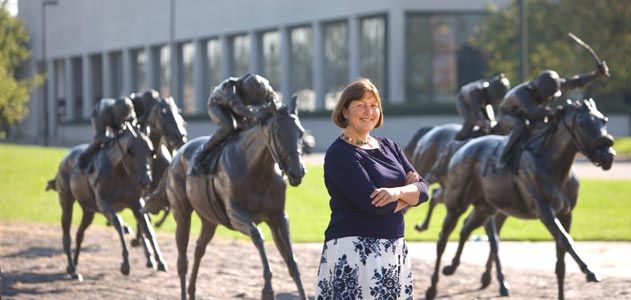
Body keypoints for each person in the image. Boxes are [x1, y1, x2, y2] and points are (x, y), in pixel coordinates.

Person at [315, 78, 429, 299]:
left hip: (393, 248)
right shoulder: (340, 153)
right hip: (356, 251)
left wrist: (396, 193)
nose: (369, 111)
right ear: (345, 111)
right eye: (361, 104)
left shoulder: (389, 146)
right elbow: (374, 206)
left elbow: (424, 190)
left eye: (374, 105)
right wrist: (409, 193)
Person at [497, 63, 609, 167]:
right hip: (508, 115)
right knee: (520, 125)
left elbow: (576, 82)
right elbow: (533, 111)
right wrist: (554, 111)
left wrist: (596, 75)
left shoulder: (553, 84)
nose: (549, 98)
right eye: (547, 96)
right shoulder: (524, 93)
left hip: (527, 115)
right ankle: (503, 156)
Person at [189, 73, 280, 175]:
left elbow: (275, 101)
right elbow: (237, 107)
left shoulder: (263, 87)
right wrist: (255, 115)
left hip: (240, 108)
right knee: (228, 127)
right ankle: (200, 155)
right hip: (218, 105)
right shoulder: (230, 87)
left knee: (252, 128)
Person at [78, 97, 137, 169]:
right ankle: (84, 156)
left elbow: (134, 129)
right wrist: (111, 139)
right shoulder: (104, 113)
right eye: (120, 119)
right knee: (100, 140)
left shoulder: (130, 112)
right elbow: (100, 137)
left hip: (115, 116)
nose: (121, 122)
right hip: (98, 115)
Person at [455, 74, 511, 140]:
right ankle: (456, 141)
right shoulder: (476, 93)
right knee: (470, 122)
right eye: (496, 100)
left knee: (490, 122)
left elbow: (492, 121)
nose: (498, 103)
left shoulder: (490, 94)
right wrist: (484, 124)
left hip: (480, 101)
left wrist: (491, 124)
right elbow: (476, 117)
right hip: (463, 100)